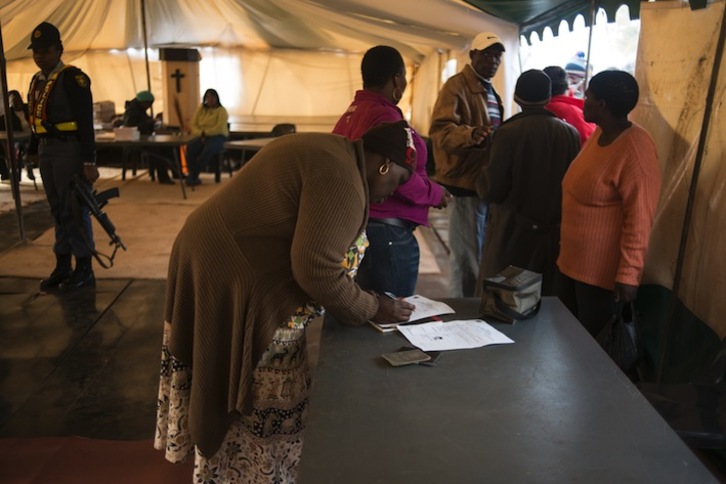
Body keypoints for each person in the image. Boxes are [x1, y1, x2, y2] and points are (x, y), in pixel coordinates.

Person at [154, 121, 417, 482]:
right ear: (384, 163)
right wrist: (373, 307)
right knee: (261, 396)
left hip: (214, 260)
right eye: (399, 180)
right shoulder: (343, 180)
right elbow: (316, 270)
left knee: (245, 381)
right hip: (234, 276)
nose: (394, 193)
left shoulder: (336, 154)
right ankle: (253, 474)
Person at [332, 45, 451, 297]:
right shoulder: (385, 117)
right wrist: (435, 194)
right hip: (386, 235)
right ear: (397, 77)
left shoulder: (351, 113)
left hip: (359, 228)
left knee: (363, 316)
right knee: (391, 319)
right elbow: (400, 175)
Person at [556, 70, 661, 337]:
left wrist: (628, 274)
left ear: (602, 105)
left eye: (587, 95)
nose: (583, 99)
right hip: (572, 264)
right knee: (565, 343)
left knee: (591, 355)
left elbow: (640, 218)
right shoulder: (600, 135)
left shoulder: (635, 149)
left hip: (599, 278)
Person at [476, 70, 580, 295]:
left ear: (516, 97)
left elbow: (491, 189)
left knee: (504, 300)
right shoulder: (570, 134)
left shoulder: (508, 133)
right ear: (548, 97)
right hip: (553, 237)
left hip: (513, 234)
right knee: (544, 302)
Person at [429, 31, 505, 297]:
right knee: (464, 260)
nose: (493, 60)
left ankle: (469, 308)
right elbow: (440, 131)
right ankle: (461, 313)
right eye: (486, 54)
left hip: (481, 183)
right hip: (462, 183)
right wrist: (470, 134)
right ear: (472, 55)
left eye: (497, 55)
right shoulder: (457, 86)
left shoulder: (489, 90)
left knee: (475, 254)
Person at [27, 22, 99, 292]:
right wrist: (34, 150)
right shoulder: (37, 81)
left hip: (70, 150)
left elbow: (85, 121)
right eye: (36, 51)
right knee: (57, 208)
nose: (39, 56)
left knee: (74, 208)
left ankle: (84, 267)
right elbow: (36, 117)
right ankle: (62, 264)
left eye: (45, 51)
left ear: (59, 50)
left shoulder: (73, 79)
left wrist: (89, 160)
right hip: (47, 150)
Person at [122, 90, 174, 184]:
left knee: (169, 146)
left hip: (143, 138)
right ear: (143, 102)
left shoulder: (140, 109)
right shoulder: (132, 111)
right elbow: (132, 127)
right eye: (149, 104)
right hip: (134, 141)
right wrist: (148, 122)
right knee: (157, 150)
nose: (149, 106)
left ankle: (176, 173)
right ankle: (163, 177)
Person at [184, 89, 229, 186]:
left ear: (217, 98)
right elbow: (193, 124)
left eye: (213, 97)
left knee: (207, 151)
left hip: (217, 136)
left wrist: (205, 133)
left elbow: (219, 128)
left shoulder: (221, 111)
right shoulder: (201, 109)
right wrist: (201, 133)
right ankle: (193, 176)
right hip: (201, 136)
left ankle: (193, 175)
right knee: (190, 148)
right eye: (208, 97)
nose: (210, 99)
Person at [543, 65, 595, 146]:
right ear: (566, 85)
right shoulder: (571, 111)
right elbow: (589, 141)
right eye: (571, 78)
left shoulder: (542, 107)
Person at [0, 90, 31, 181]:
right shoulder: (8, 114)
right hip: (19, 139)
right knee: (16, 146)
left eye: (19, 100)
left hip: (32, 137)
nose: (18, 103)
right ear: (10, 103)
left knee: (21, 147)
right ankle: (7, 172)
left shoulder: (28, 108)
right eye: (14, 102)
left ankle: (27, 161)